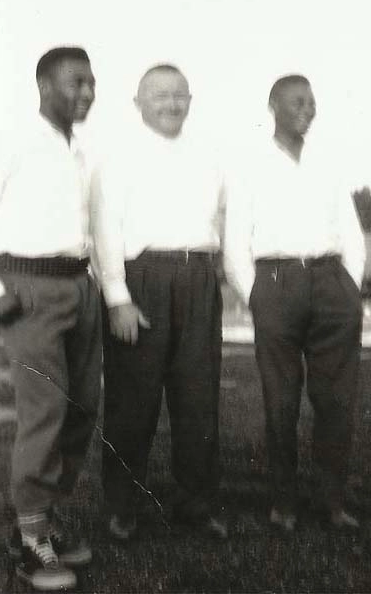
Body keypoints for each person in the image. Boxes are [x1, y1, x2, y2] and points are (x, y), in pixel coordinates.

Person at [224, 74, 366, 532]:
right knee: (280, 402)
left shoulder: (328, 162)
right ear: (273, 106)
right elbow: (234, 245)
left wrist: (349, 289)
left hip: (331, 284)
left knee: (336, 401)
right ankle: (282, 503)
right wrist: (257, 297)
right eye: (297, 101)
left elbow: (351, 233)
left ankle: (333, 502)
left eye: (312, 102)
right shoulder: (249, 165)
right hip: (276, 283)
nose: (308, 109)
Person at [91, 64, 227, 540]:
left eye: (179, 95)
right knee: (133, 402)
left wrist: (216, 277)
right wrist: (118, 298)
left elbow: (222, 220)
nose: (171, 104)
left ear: (190, 100)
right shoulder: (119, 157)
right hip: (142, 278)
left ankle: (198, 502)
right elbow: (104, 229)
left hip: (198, 278)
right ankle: (122, 507)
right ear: (138, 103)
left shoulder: (208, 156)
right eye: (159, 95)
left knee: (198, 400)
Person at [0, 47, 100, 590]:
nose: (84, 93)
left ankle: (38, 524)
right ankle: (32, 544)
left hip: (79, 287)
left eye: (90, 84)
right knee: (46, 411)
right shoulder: (12, 138)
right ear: (42, 85)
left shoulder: (80, 150)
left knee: (82, 406)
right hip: (27, 288)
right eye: (73, 82)